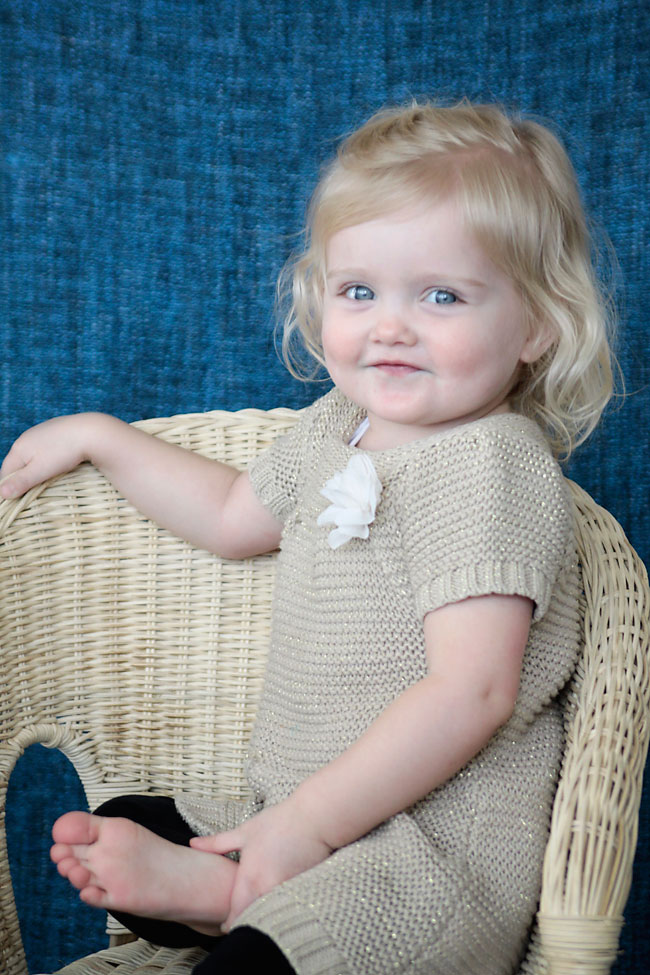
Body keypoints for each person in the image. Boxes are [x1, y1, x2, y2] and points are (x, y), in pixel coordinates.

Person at [0, 100, 615, 975]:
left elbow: (472, 691)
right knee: (139, 817)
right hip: (299, 806)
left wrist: (307, 826)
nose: (390, 325)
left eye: (442, 295)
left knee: (279, 957)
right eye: (360, 291)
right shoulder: (340, 423)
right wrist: (102, 435)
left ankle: (240, 905)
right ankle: (231, 890)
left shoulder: (490, 466)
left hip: (423, 853)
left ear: (538, 325)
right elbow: (229, 516)